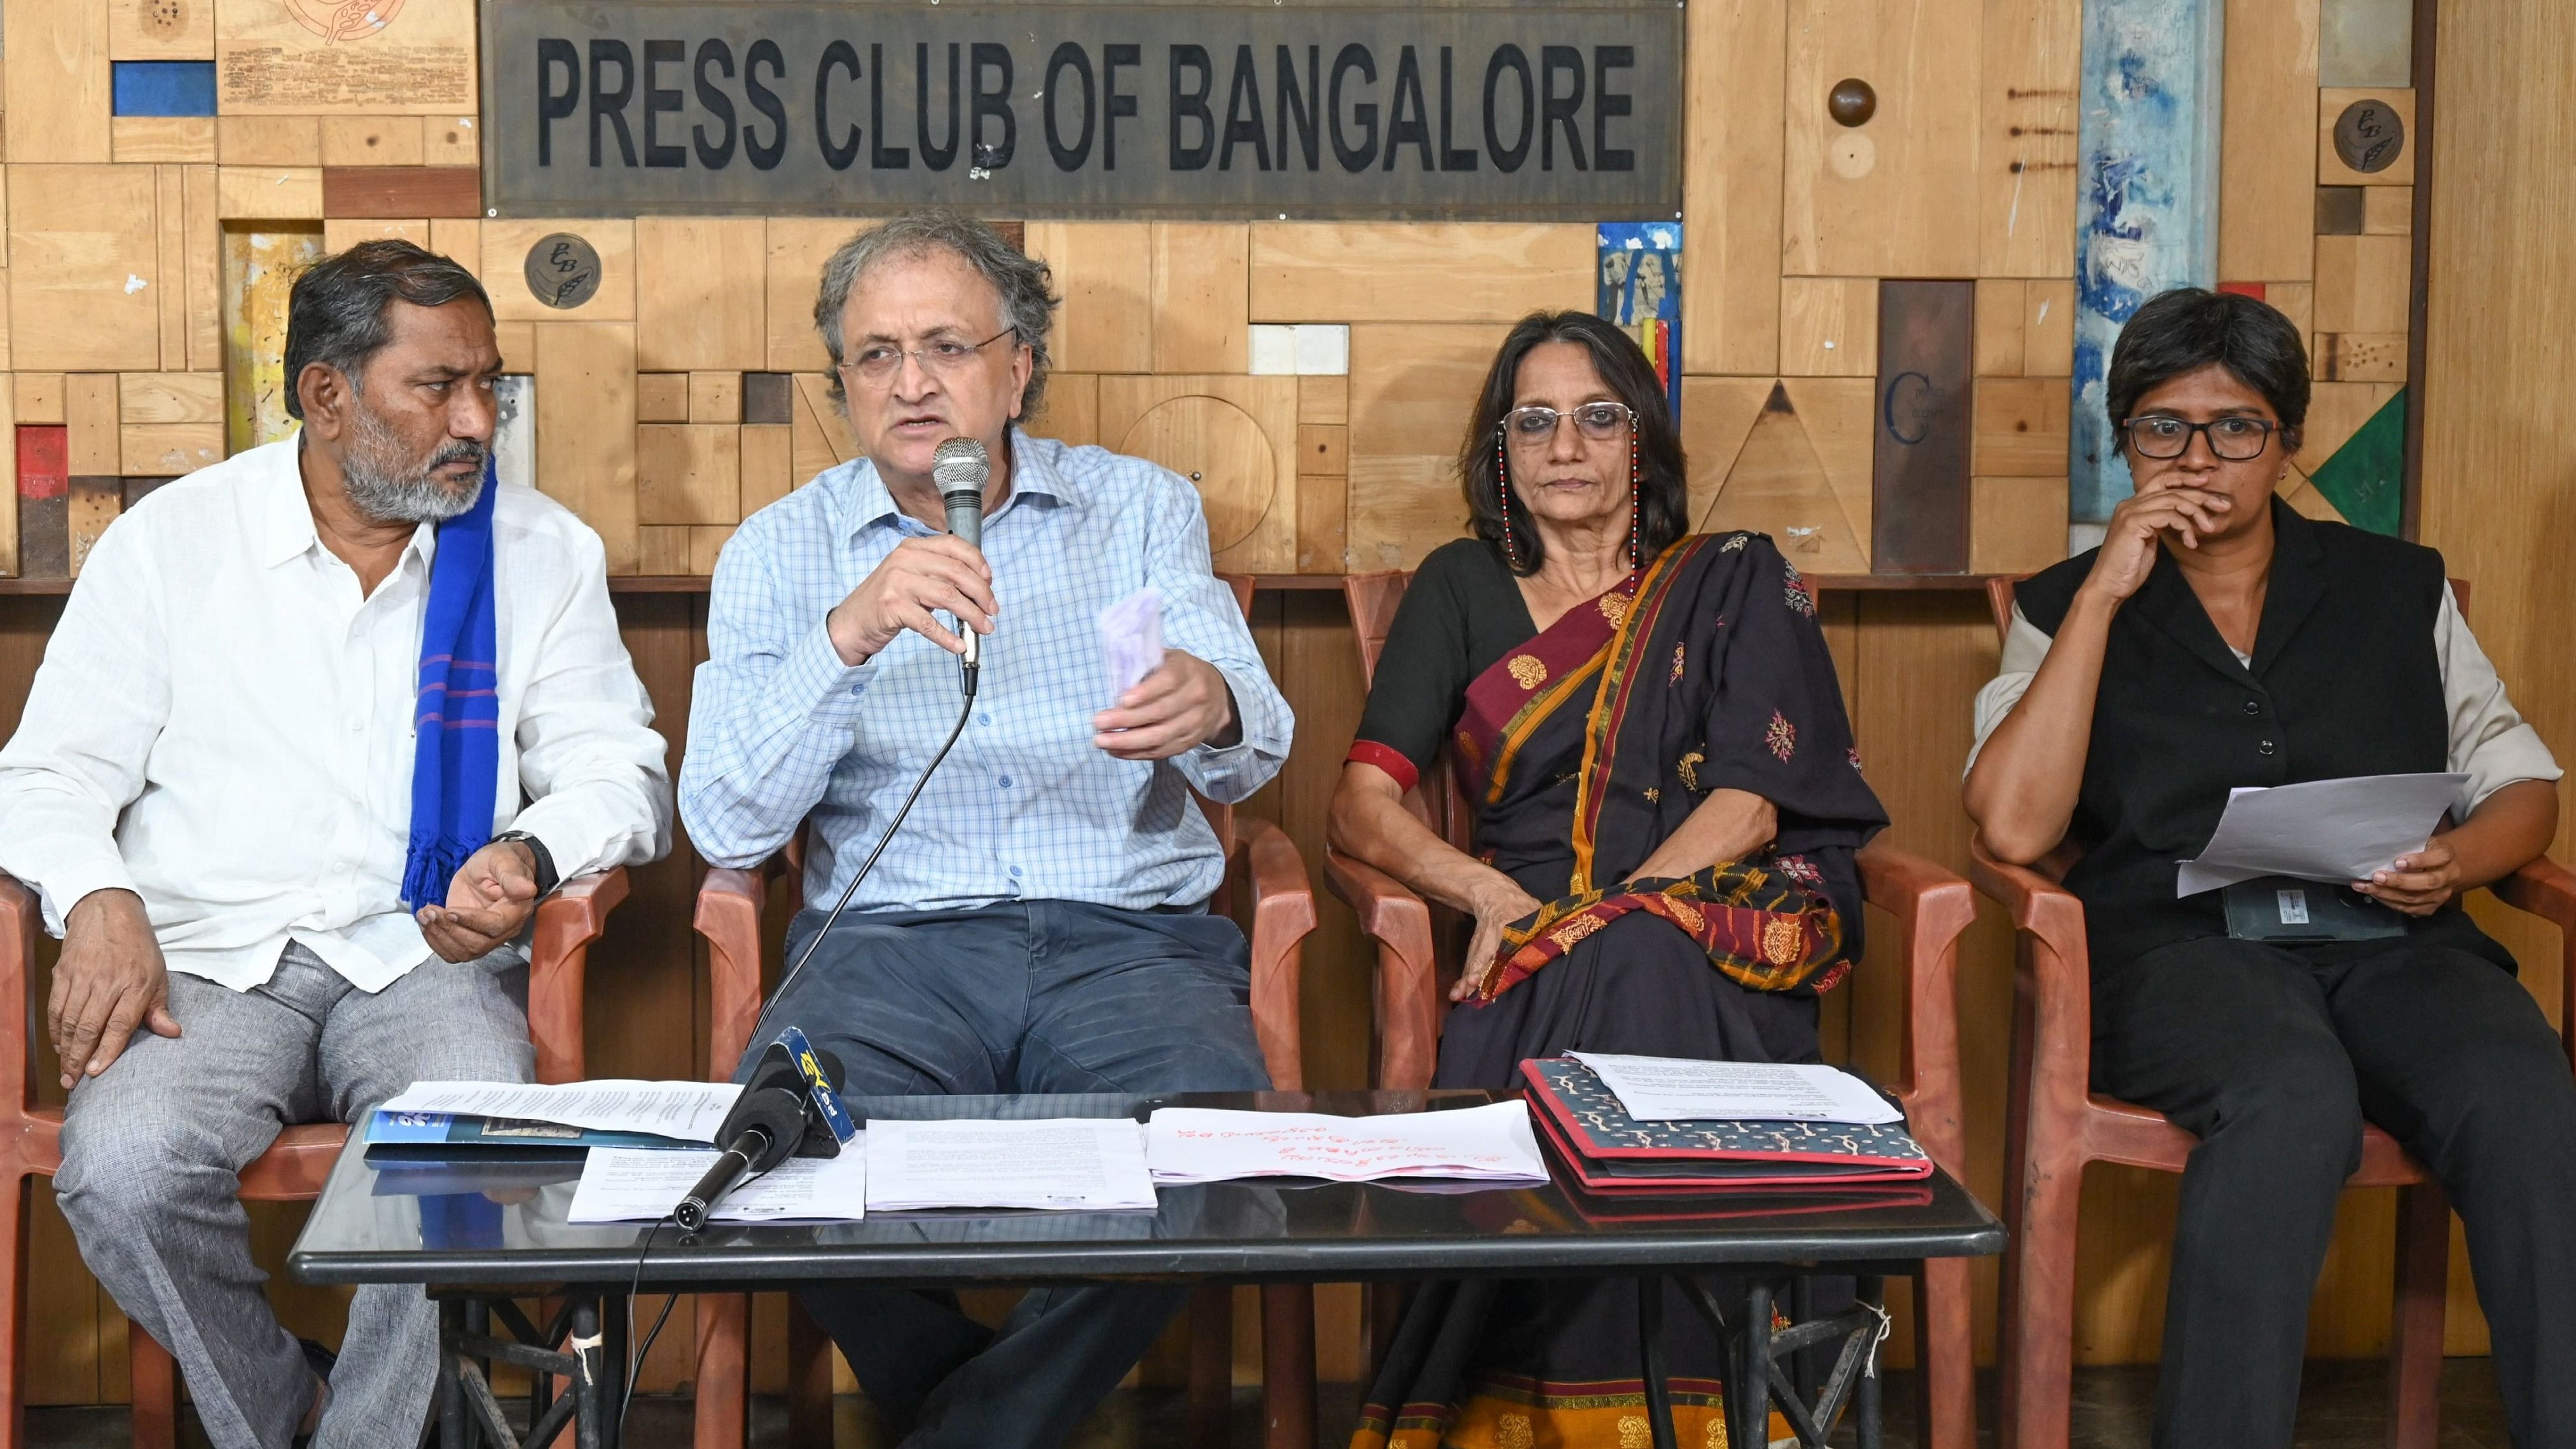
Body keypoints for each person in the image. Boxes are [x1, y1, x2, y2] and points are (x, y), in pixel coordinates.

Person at [0, 240, 672, 1449]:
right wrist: (97, 895)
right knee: (127, 1169)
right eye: (438, 387)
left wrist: (527, 852)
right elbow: (45, 775)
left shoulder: (538, 551)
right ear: (326, 395)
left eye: (490, 387)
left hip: (424, 961)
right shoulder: (172, 545)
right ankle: (293, 1412)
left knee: (455, 1172)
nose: (475, 420)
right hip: (207, 957)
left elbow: (619, 770)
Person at [677, 211, 1292, 1448]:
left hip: (1128, 944)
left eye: (947, 346)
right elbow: (725, 823)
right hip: (889, 950)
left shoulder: (1137, 513)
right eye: (875, 355)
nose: (911, 383)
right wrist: (845, 636)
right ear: (842, 383)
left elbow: (1258, 739)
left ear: (1019, 365)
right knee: (777, 1153)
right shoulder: (780, 554)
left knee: (1218, 1156)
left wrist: (1213, 701)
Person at [1964, 287, 2576, 1448]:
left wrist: (2455, 863)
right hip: (2188, 955)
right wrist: (2103, 591)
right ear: (2125, 444)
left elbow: (2525, 788)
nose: (2201, 458)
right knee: (2293, 1101)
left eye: (2236, 427)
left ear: (2286, 444)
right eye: (2163, 428)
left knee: (2523, 1094)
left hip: (2397, 935)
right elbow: (2012, 829)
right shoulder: (2066, 604)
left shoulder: (2398, 587)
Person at [1327, 310, 1887, 1447]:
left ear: (1643, 445)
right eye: (1534, 421)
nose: (1566, 446)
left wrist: (1619, 910)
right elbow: (1360, 804)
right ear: (1501, 451)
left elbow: (1750, 800)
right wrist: (1488, 896)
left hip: (1715, 911)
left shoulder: (1729, 582)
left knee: (1641, 951)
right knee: (1620, 958)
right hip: (1528, 933)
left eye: (1597, 417)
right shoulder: (1460, 586)